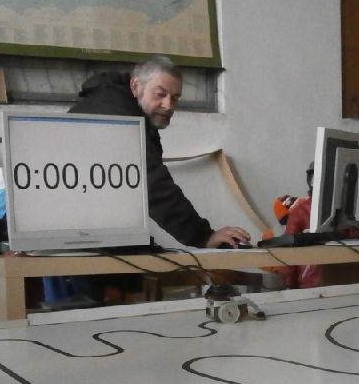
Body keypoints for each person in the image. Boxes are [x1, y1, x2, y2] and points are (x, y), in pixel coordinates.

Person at [69, 55, 250, 248]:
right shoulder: (116, 115)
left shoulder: (131, 111)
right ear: (136, 86)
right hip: (74, 233)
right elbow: (152, 182)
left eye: (175, 98)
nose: (168, 105)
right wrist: (203, 237)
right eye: (160, 94)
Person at [272, 162, 321, 289]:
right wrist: (289, 287)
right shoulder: (300, 211)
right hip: (310, 283)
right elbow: (289, 249)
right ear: (312, 181)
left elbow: (354, 236)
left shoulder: (340, 212)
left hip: (342, 280)